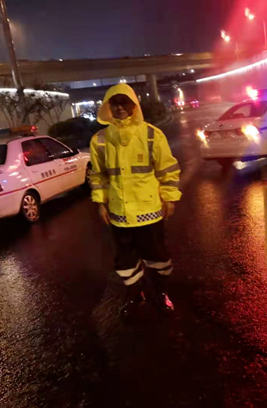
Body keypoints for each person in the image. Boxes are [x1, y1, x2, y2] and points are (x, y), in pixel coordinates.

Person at [89, 83, 181, 318]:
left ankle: (160, 293)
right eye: (115, 103)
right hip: (119, 213)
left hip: (149, 209)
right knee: (126, 259)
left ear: (134, 105)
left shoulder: (151, 134)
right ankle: (135, 295)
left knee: (157, 256)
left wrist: (169, 198)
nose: (120, 107)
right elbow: (98, 175)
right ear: (108, 106)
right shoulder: (100, 140)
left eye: (125, 102)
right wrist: (100, 203)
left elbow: (167, 169)